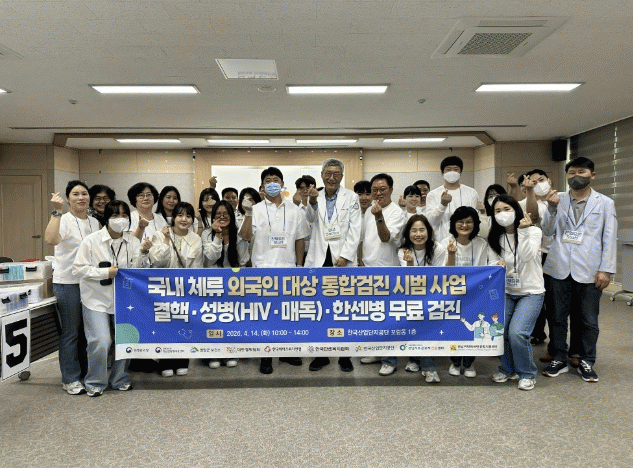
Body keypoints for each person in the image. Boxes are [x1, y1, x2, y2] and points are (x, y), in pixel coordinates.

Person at [541, 157, 617, 383]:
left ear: (592, 175)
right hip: (559, 268)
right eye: (571, 172)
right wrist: (551, 208)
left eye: (581, 172)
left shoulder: (605, 203)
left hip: (590, 269)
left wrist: (606, 270)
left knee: (588, 320)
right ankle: (558, 357)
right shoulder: (557, 199)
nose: (576, 176)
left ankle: (586, 360)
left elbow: (609, 238)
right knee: (556, 317)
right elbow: (546, 231)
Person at [73, 200, 151, 397]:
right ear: (107, 218)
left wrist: (143, 252)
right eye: (115, 215)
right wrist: (105, 272)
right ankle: (95, 382)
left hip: (125, 300)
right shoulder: (91, 241)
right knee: (100, 341)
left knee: (125, 340)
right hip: (96, 299)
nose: (120, 219)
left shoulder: (133, 241)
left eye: (124, 215)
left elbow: (138, 269)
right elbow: (78, 269)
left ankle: (119, 378)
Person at [240, 167, 309, 375]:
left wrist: (299, 266)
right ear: (262, 185)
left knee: (287, 314)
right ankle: (266, 356)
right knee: (265, 316)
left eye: (276, 180)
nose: (272, 183)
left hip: (288, 269)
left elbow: (299, 239)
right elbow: (245, 236)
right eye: (268, 180)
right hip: (263, 269)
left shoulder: (294, 209)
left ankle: (287, 352)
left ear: (282, 184)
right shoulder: (255, 209)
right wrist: (248, 213)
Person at [304, 159, 362, 372]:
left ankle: (345, 356)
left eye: (336, 174)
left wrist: (346, 255)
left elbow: (356, 229)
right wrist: (311, 202)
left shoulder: (351, 197)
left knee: (344, 309)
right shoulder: (315, 195)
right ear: (321, 175)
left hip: (342, 260)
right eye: (328, 173)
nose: (331, 178)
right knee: (319, 309)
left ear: (342, 176)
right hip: (320, 258)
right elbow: (309, 221)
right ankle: (321, 354)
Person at [44, 180, 98, 395]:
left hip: (90, 283)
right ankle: (70, 378)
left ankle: (85, 374)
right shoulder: (63, 219)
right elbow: (50, 239)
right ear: (67, 199)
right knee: (71, 332)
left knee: (87, 332)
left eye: (84, 193)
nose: (81, 197)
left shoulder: (95, 222)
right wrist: (56, 212)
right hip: (68, 283)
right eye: (75, 194)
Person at [488, 194, 544, 391]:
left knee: (517, 333)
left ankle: (527, 373)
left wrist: (523, 231)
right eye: (497, 211)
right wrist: (496, 263)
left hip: (530, 291)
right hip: (506, 290)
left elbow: (527, 256)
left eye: (506, 209)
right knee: (499, 330)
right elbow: (491, 261)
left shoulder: (534, 231)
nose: (502, 214)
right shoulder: (495, 237)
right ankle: (507, 368)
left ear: (516, 210)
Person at [358, 173, 406, 376]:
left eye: (382, 189)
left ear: (391, 190)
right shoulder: (369, 210)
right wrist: (360, 261)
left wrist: (379, 217)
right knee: (372, 315)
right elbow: (362, 239)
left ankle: (389, 360)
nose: (378, 193)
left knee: (388, 318)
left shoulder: (396, 212)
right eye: (374, 190)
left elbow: (386, 238)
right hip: (368, 270)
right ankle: (377, 352)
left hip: (388, 272)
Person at [149, 202, 203, 377]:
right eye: (180, 215)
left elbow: (196, 267)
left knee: (184, 324)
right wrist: (166, 240)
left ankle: (182, 360)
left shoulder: (196, 239)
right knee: (165, 325)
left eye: (188, 216)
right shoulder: (160, 234)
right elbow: (157, 261)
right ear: (173, 217)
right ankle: (165, 362)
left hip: (185, 288)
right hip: (163, 288)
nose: (184, 219)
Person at [440, 206, 488, 378]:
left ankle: (468, 363)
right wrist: (451, 255)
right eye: (460, 222)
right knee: (454, 328)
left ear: (475, 224)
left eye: (469, 222)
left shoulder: (482, 244)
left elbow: (485, 268)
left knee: (471, 330)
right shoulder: (445, 243)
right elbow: (444, 274)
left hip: (474, 294)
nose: (465, 225)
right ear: (454, 223)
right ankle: (454, 362)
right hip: (452, 295)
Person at [398, 214, 446, 382]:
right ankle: (424, 364)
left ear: (428, 231)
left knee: (423, 323)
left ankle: (422, 363)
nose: (418, 234)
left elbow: (439, 276)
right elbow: (409, 280)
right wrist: (410, 264)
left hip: (433, 295)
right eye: (414, 231)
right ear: (408, 233)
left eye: (422, 230)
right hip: (412, 296)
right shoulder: (403, 251)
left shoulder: (438, 248)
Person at [202, 200, 249, 369]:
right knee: (213, 320)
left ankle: (231, 352)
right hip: (212, 284)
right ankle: (214, 354)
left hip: (234, 285)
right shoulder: (206, 234)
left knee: (232, 320)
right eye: (218, 214)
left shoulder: (239, 234)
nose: (222, 217)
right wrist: (217, 235)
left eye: (225, 214)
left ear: (231, 216)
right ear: (213, 217)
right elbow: (211, 257)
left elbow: (243, 261)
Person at [425, 155, 479, 241]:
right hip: (441, 241)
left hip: (466, 241)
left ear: (460, 171)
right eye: (448, 169)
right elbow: (431, 222)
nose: (452, 172)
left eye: (455, 169)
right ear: (442, 172)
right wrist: (442, 205)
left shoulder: (471, 193)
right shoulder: (433, 194)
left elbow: (473, 220)